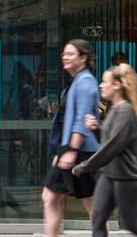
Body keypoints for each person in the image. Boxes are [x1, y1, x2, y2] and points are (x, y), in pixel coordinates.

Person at [72, 64, 137, 237]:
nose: (101, 85)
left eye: (104, 81)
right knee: (97, 217)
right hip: (111, 174)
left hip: (127, 176)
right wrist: (96, 129)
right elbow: (109, 140)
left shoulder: (125, 111)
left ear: (117, 85)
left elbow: (112, 147)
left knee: (132, 224)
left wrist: (85, 166)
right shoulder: (115, 108)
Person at [42, 39, 100, 237]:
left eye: (70, 54)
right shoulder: (78, 81)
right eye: (64, 54)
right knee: (53, 198)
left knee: (87, 204)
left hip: (80, 151)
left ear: (83, 57)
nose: (64, 57)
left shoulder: (85, 82)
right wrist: (62, 151)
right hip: (73, 150)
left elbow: (81, 119)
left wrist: (70, 151)